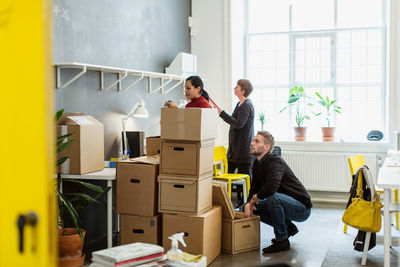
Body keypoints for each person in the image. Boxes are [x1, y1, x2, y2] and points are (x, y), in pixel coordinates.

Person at [244, 131, 312, 254]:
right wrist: (249, 203)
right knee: (253, 207)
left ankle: (282, 241)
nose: (252, 143)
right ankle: (287, 228)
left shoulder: (274, 160)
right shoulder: (257, 164)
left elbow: (271, 187)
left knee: (272, 198)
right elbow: (253, 188)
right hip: (283, 203)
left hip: (301, 208)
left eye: (256, 141)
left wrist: (255, 198)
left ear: (267, 147)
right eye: (253, 140)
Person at [218, 79, 255, 176]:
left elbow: (239, 124)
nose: (234, 88)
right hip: (234, 152)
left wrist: (223, 114)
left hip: (242, 153)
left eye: (237, 87)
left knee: (245, 179)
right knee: (227, 177)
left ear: (243, 91)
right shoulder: (239, 104)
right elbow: (234, 122)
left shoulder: (246, 105)